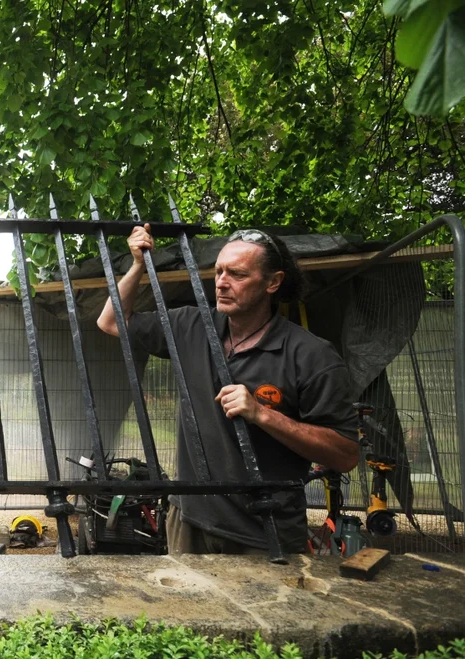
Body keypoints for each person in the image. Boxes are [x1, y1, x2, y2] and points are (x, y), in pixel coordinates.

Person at [96, 225, 359, 554]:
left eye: (237, 274)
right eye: (218, 271)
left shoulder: (311, 355)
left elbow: (346, 454)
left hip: (264, 532)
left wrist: (262, 414)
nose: (221, 282)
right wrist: (137, 265)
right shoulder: (190, 326)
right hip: (188, 520)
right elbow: (110, 322)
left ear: (272, 282)